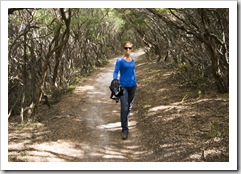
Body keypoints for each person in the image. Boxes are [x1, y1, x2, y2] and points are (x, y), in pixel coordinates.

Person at [113, 41, 137, 140]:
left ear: (132, 49)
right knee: (124, 107)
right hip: (123, 87)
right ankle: (125, 129)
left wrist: (136, 81)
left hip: (133, 86)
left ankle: (125, 118)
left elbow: (133, 72)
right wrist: (115, 80)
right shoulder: (120, 60)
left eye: (130, 48)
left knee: (129, 106)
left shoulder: (133, 60)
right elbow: (115, 71)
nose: (128, 50)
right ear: (123, 49)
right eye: (126, 48)